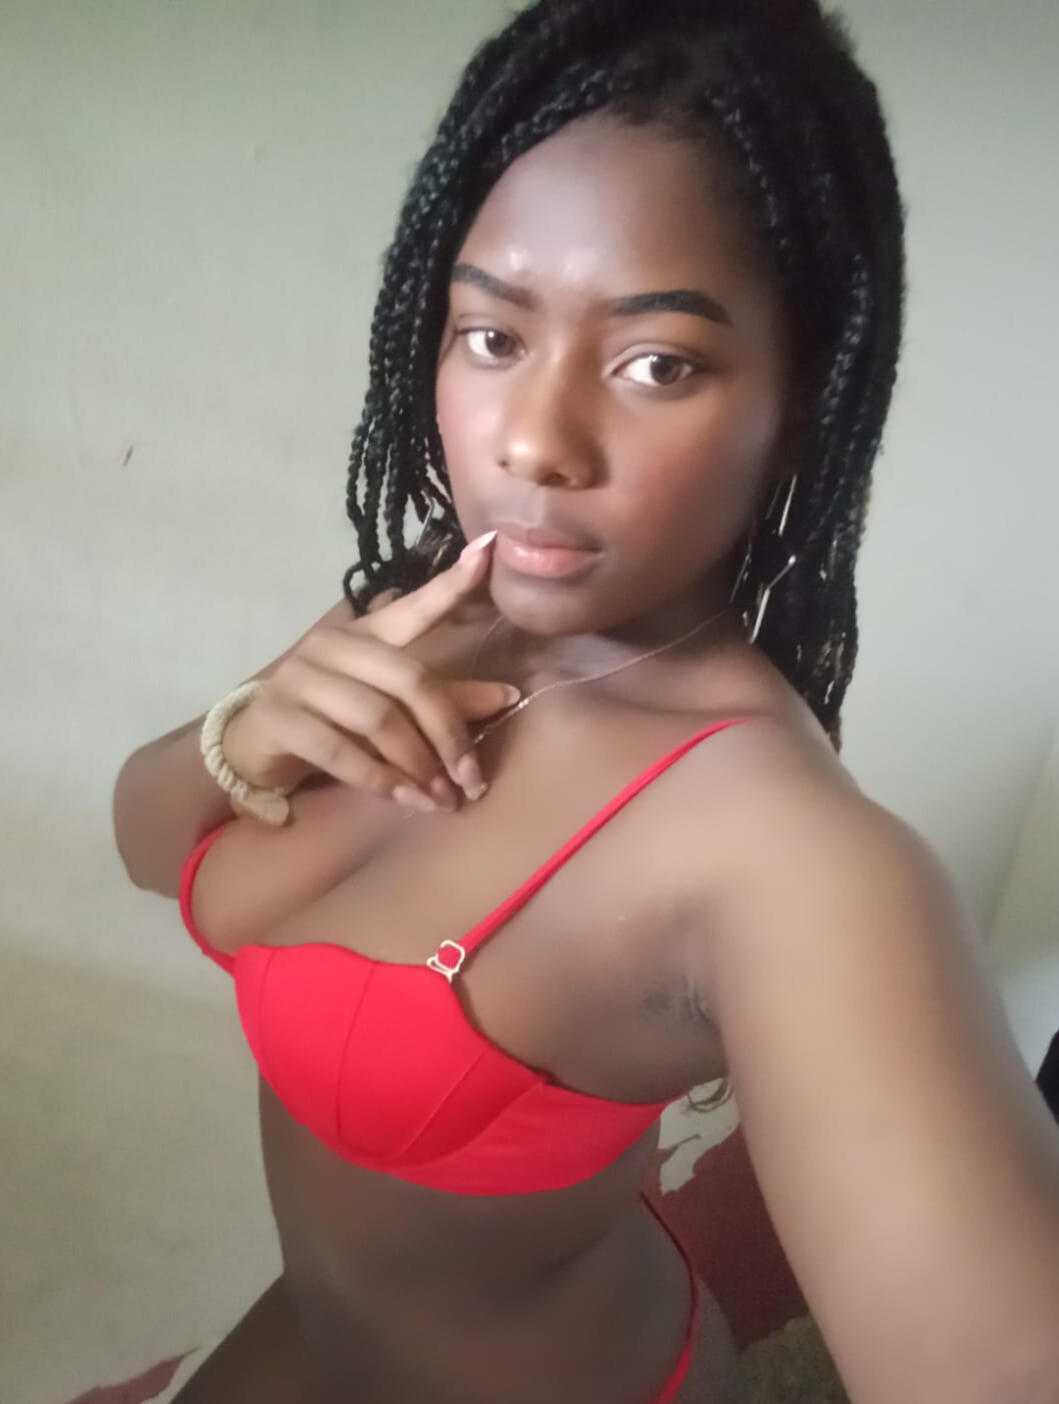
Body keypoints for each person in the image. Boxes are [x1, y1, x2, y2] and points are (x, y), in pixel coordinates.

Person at [112, 2, 1059, 1400]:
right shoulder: (430, 609)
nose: (537, 443)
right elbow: (151, 848)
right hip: (312, 1337)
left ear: (798, 402)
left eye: (656, 363)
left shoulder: (782, 850)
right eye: (493, 336)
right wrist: (241, 737)